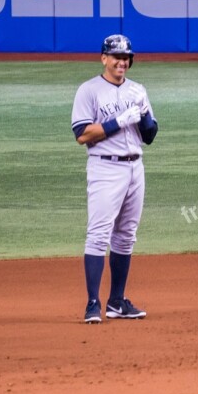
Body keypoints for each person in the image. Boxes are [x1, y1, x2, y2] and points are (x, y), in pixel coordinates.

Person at [71, 34, 158, 324]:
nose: (122, 62)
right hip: (105, 168)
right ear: (104, 59)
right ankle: (93, 303)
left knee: (126, 236)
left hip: (135, 168)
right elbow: (82, 135)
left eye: (126, 57)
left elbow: (149, 137)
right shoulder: (89, 90)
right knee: (98, 235)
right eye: (117, 56)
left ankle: (117, 302)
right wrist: (117, 122)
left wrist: (144, 113)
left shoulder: (138, 90)